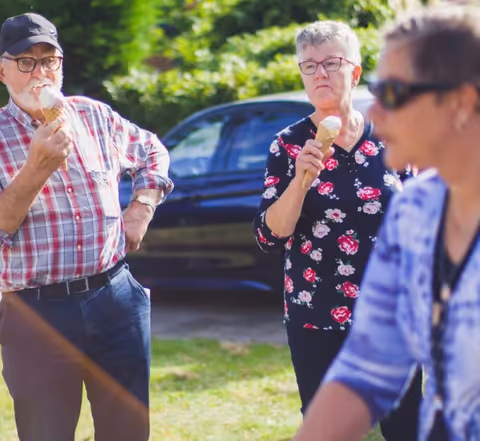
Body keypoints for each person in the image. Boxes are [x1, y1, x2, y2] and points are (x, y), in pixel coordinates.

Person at [294, 4, 480, 441]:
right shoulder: (415, 208)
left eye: (394, 94)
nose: (374, 111)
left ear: (461, 102)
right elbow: (368, 367)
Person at [0, 12, 173, 441]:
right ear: (2, 69)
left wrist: (141, 208)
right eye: (25, 61)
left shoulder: (94, 115)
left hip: (115, 296)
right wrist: (36, 168)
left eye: (50, 59)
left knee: (128, 431)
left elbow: (153, 151)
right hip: (35, 310)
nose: (40, 72)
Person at [253, 20, 421, 441]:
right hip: (318, 316)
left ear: (356, 72)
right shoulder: (288, 144)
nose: (320, 74)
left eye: (331, 62)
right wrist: (300, 180)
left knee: (407, 427)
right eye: (309, 66)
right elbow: (269, 237)